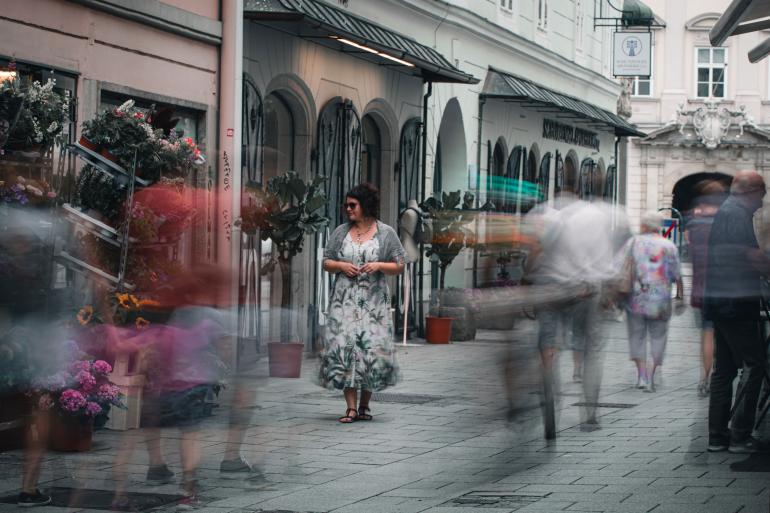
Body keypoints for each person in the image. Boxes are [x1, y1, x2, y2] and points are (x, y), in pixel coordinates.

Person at [319, 183, 405, 423]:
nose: (347, 209)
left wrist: (378, 265)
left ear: (365, 205)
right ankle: (351, 408)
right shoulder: (340, 232)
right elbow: (326, 261)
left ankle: (365, 405)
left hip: (373, 303)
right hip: (344, 301)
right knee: (346, 350)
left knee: (369, 351)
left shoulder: (386, 233)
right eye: (346, 205)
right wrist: (341, 265)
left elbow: (400, 265)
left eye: (352, 205)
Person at [705, 170, 770, 454]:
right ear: (752, 191)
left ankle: (718, 436)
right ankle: (740, 434)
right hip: (735, 302)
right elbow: (750, 256)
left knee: (725, 369)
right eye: (763, 192)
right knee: (754, 364)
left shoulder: (728, 211)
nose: (764, 199)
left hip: (722, 300)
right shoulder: (735, 214)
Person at [624, 211, 683, 393]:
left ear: (643, 225)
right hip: (661, 299)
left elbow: (620, 267)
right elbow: (676, 273)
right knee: (658, 337)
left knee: (637, 336)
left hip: (636, 299)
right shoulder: (668, 245)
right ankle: (650, 376)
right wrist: (681, 295)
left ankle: (641, 376)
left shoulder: (633, 243)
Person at [685, 180, 726, 397]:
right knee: (724, 333)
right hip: (726, 285)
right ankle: (722, 376)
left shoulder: (693, 223)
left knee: (707, 332)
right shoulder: (728, 219)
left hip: (702, 286)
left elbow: (691, 249)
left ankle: (705, 378)